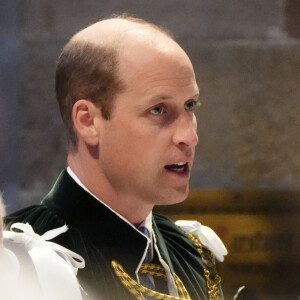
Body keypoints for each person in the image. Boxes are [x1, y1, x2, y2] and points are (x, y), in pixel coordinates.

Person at [4, 15, 227, 299]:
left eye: (190, 105)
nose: (189, 136)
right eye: (158, 110)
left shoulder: (189, 251)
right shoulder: (22, 262)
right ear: (88, 121)